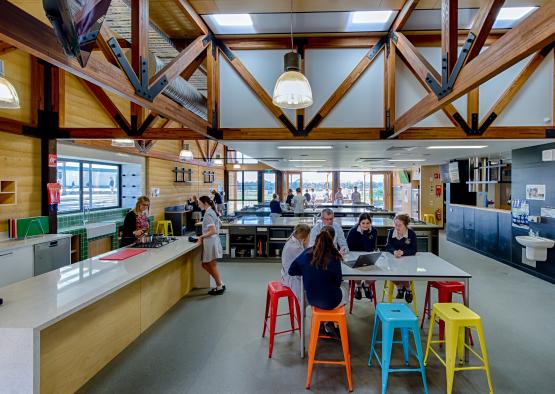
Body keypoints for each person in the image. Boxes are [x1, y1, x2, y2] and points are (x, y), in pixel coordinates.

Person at [288, 226, 348, 335]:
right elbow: (338, 282)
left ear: (317, 237)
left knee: (324, 288)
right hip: (331, 301)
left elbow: (291, 271)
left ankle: (324, 322)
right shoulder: (335, 257)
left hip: (312, 299)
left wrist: (308, 271)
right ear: (333, 239)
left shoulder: (306, 253)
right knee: (345, 285)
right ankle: (331, 322)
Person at [385, 213, 417, 303]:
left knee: (404, 273)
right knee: (389, 273)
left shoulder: (411, 234)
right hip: (394, 259)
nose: (397, 227)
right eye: (395, 225)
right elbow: (388, 246)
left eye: (400, 225)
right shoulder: (391, 232)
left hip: (408, 260)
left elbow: (414, 249)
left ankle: (408, 289)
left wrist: (403, 253)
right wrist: (394, 251)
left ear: (406, 225)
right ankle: (399, 288)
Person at [197, 195, 225, 295]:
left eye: (199, 203)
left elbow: (212, 230)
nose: (198, 205)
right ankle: (220, 283)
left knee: (210, 265)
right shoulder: (213, 211)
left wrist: (201, 236)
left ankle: (219, 286)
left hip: (210, 241)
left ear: (205, 203)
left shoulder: (208, 214)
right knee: (206, 264)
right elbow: (219, 224)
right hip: (213, 241)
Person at [346, 213, 378, 300]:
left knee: (379, 271)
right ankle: (358, 285)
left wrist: (365, 234)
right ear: (359, 223)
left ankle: (366, 285)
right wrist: (363, 233)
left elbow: (370, 248)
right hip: (354, 257)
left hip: (368, 256)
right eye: (363, 223)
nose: (365, 225)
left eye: (368, 223)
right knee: (356, 270)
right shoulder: (353, 232)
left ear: (370, 223)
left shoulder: (374, 231)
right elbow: (349, 248)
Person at [281, 223, 311, 302]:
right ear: (305, 238)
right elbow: (307, 263)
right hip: (293, 281)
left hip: (288, 277)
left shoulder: (293, 242)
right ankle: (304, 311)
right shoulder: (295, 248)